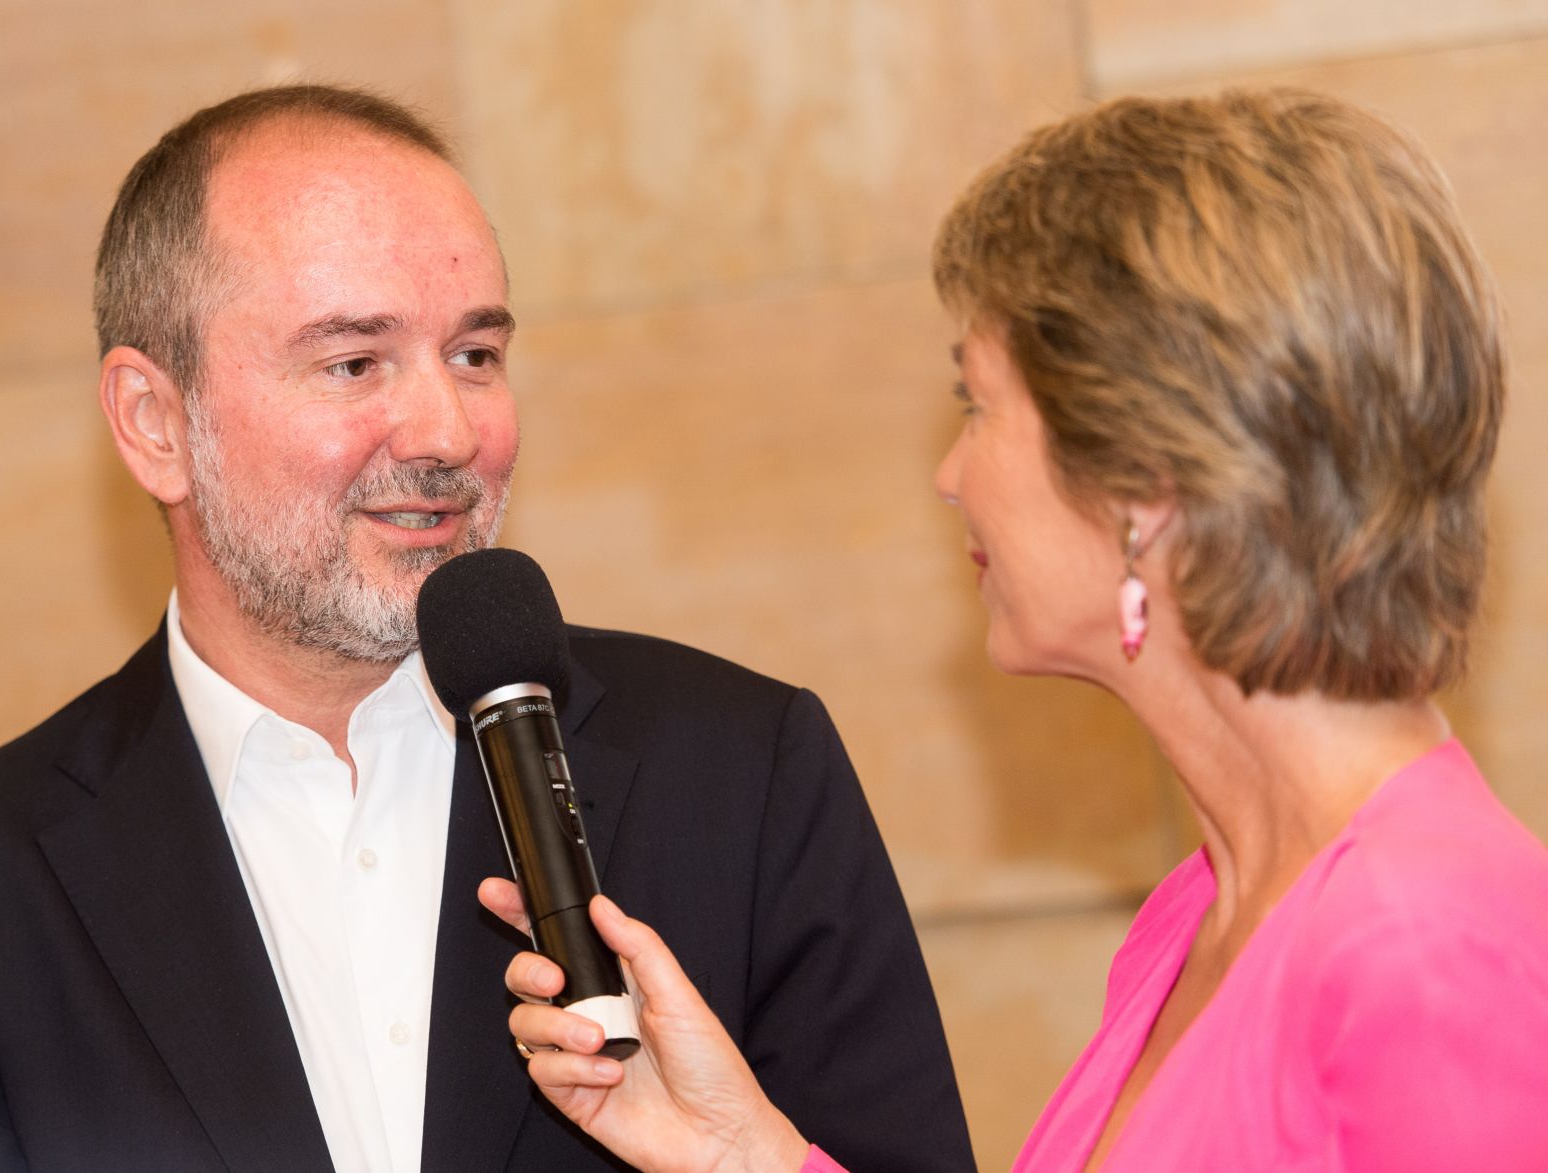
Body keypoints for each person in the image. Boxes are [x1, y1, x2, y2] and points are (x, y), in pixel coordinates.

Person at [0, 86, 973, 1173]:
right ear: (154, 421)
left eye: (475, 356)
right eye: (354, 361)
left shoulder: (737, 770)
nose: (445, 432)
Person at [485, 88, 1548, 1171]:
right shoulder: (1204, 910)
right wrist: (738, 1154)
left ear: (1144, 478)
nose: (949, 478)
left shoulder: (1426, 949)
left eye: (977, 405)